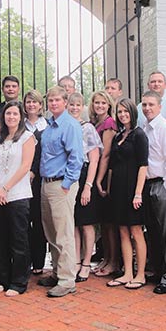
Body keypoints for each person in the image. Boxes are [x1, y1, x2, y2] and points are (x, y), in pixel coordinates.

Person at [37, 86, 84, 298]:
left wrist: (67, 183)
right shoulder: (49, 127)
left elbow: (76, 157)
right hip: (47, 184)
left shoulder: (70, 125)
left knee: (64, 233)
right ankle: (57, 272)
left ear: (65, 102)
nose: (53, 103)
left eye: (57, 100)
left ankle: (67, 280)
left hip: (61, 185)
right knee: (51, 232)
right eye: (51, 100)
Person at [0, 101, 36, 296]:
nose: (11, 117)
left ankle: (18, 282)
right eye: (8, 114)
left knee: (18, 239)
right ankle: (3, 279)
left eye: (15, 114)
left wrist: (6, 188)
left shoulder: (27, 138)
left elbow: (25, 166)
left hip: (17, 195)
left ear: (20, 116)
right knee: (0, 239)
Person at [106, 98, 148, 290]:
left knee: (136, 230)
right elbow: (112, 166)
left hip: (133, 189)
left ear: (132, 112)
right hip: (118, 190)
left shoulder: (139, 135)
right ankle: (128, 273)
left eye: (126, 111)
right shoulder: (118, 136)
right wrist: (108, 188)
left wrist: (138, 193)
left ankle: (140, 274)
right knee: (122, 230)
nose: (123, 115)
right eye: (120, 112)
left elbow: (143, 166)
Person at [140, 91, 166, 294]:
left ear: (160, 106)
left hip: (163, 185)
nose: (147, 108)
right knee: (153, 232)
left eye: (151, 105)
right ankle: (158, 270)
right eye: (144, 105)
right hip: (148, 184)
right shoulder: (145, 128)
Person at [67, 93, 101, 283]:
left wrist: (88, 186)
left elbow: (94, 159)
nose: (74, 108)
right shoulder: (65, 126)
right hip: (68, 177)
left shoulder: (87, 128)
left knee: (86, 223)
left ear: (82, 107)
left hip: (84, 175)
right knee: (74, 223)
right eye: (71, 104)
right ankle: (77, 261)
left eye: (77, 105)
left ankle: (87, 262)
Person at [89, 90, 119, 278]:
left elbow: (105, 154)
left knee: (110, 223)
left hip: (106, 176)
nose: (100, 106)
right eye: (96, 103)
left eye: (103, 103)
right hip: (96, 173)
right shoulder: (94, 124)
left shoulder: (109, 124)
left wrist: (98, 180)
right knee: (104, 223)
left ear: (109, 105)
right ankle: (106, 258)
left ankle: (114, 261)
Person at [23, 90, 48, 275]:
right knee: (23, 221)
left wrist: (34, 171)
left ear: (41, 105)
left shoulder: (47, 126)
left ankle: (39, 262)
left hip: (39, 179)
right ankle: (24, 260)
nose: (31, 105)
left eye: (35, 102)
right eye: (28, 102)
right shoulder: (19, 125)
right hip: (20, 179)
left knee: (39, 221)